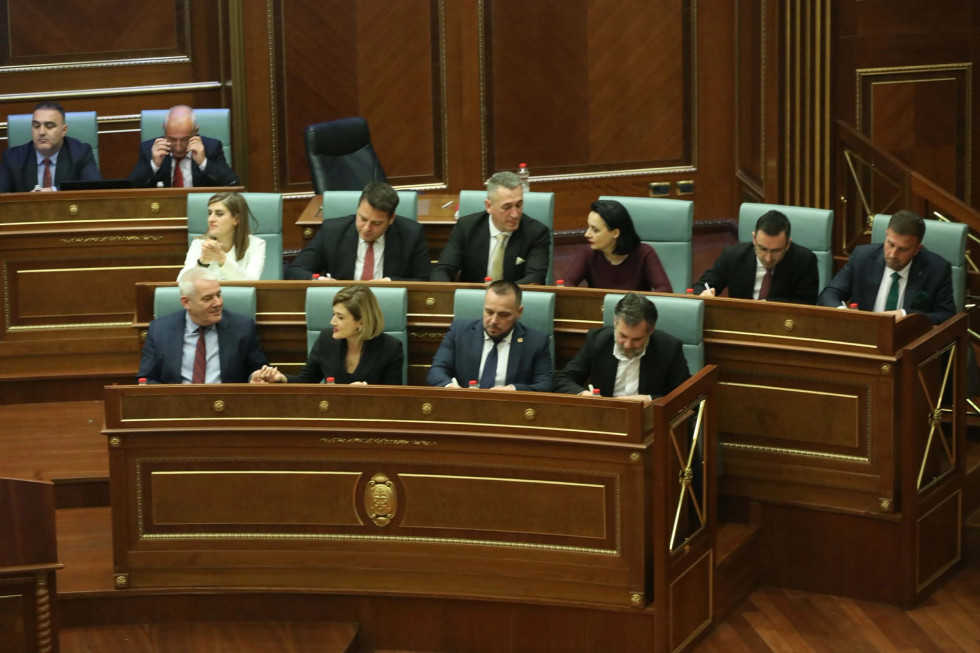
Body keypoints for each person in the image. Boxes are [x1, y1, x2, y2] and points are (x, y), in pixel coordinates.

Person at [817, 210, 956, 324]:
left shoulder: (936, 269)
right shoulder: (862, 257)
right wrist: (843, 312)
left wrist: (906, 315)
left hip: (909, 340)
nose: (893, 254)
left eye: (903, 249)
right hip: (865, 335)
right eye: (890, 244)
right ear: (886, 235)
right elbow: (829, 293)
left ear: (917, 249)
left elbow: (947, 316)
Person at [136, 268, 268, 383]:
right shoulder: (159, 330)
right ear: (186, 302)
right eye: (208, 298)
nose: (218, 303)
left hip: (227, 402)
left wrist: (256, 377)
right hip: (177, 402)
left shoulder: (242, 327)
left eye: (218, 295)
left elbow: (258, 370)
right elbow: (146, 378)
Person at [251, 286, 403, 385]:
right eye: (333, 315)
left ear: (361, 322)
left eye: (340, 317)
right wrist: (282, 378)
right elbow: (306, 381)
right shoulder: (326, 340)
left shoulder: (391, 348)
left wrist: (369, 394)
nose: (332, 322)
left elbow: (394, 399)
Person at [554, 292, 690, 400]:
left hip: (650, 420)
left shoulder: (669, 348)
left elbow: (686, 397)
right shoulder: (597, 341)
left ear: (651, 330)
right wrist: (585, 395)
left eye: (636, 339)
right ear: (615, 322)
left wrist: (650, 400)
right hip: (605, 418)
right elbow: (563, 379)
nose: (628, 345)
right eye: (623, 336)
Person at [285, 182, 430, 281]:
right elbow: (295, 270)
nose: (366, 228)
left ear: (391, 219)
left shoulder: (411, 234)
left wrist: (390, 282)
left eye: (376, 223)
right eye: (363, 219)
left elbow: (425, 279)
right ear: (358, 209)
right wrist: (319, 280)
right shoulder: (333, 231)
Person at [427, 280, 552, 391]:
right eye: (489, 312)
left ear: (519, 312)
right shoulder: (459, 332)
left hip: (510, 407)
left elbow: (545, 384)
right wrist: (451, 387)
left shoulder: (536, 342)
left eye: (503, 315)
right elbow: (436, 371)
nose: (493, 321)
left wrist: (513, 390)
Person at [431, 171, 550, 284]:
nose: (515, 214)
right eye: (507, 207)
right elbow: (442, 270)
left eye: (519, 205)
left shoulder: (536, 233)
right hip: (472, 296)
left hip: (515, 297)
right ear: (489, 206)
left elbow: (536, 277)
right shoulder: (466, 227)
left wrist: (500, 294)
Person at [692, 210, 818, 304]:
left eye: (776, 251)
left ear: (788, 244)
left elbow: (807, 302)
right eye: (762, 249)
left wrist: (768, 304)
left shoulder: (804, 261)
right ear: (754, 239)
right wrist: (703, 294)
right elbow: (701, 286)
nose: (768, 258)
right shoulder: (733, 256)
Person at [562, 199, 672, 292]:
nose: (587, 234)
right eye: (588, 227)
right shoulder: (588, 253)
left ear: (615, 233)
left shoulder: (644, 253)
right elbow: (566, 283)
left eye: (595, 230)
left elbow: (664, 289)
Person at [0, 101, 101, 193]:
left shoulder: (81, 153)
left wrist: (53, 191)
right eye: (36, 126)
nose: (41, 132)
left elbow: (94, 188)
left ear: (64, 130)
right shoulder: (12, 158)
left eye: (49, 126)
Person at [129, 105, 238, 188]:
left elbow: (232, 184)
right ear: (164, 130)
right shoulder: (149, 149)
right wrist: (154, 165)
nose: (178, 147)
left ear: (196, 131)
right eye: (172, 139)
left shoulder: (211, 148)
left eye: (185, 140)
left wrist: (203, 163)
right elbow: (131, 188)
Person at [178, 192, 267, 281]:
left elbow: (251, 283)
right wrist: (203, 262)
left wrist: (222, 259)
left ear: (236, 219)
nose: (211, 219)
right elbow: (181, 282)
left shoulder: (256, 245)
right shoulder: (199, 244)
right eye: (209, 213)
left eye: (219, 214)